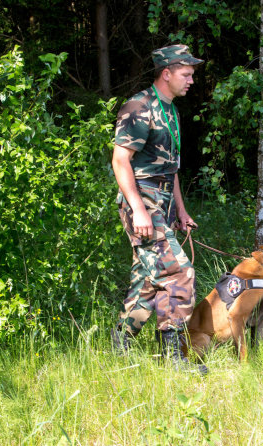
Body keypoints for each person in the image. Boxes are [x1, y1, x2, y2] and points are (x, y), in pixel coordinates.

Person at [111, 44, 205, 373]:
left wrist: (180, 210)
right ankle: (174, 359)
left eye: (192, 74)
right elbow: (120, 160)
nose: (191, 80)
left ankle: (119, 345)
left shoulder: (171, 110)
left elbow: (171, 169)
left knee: (148, 281)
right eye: (186, 74)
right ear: (167, 74)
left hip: (162, 202)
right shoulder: (139, 107)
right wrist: (138, 210)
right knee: (179, 274)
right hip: (142, 201)